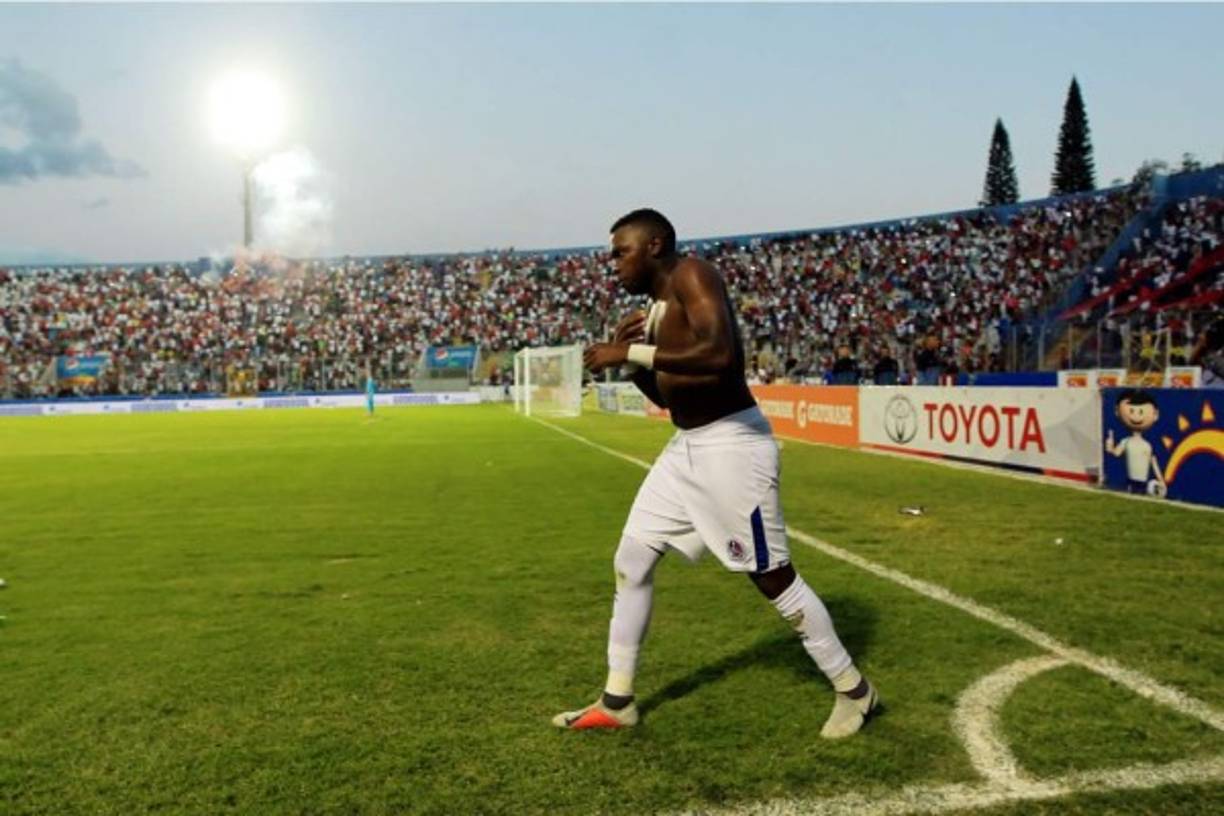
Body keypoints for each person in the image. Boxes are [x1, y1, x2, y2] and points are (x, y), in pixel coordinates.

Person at [555, 208, 878, 737]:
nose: (613, 264)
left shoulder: (693, 274)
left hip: (733, 446)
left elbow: (721, 355)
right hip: (687, 446)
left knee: (771, 575)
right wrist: (633, 366)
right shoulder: (656, 308)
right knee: (632, 560)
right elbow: (671, 394)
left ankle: (855, 691)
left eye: (620, 252)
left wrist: (632, 350)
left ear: (654, 245)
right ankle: (617, 701)